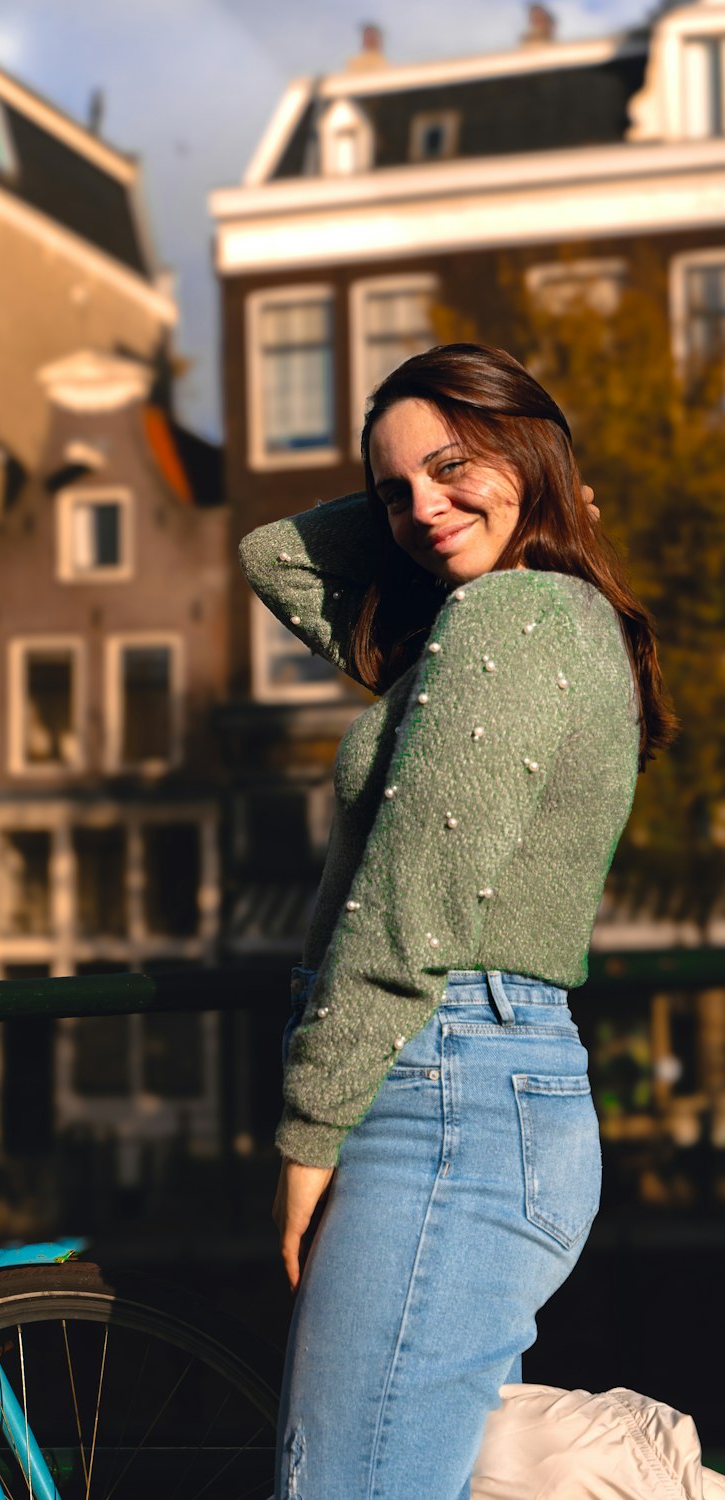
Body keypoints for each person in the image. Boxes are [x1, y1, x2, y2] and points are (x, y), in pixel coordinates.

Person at [238, 343, 677, 1500]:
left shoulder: (509, 625)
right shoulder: (515, 624)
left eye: (452, 467)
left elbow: (406, 912)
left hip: (443, 1091)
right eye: (394, 492)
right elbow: (271, 557)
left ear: (526, 446)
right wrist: (493, 485)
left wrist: (305, 1132)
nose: (422, 510)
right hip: (484, 1091)